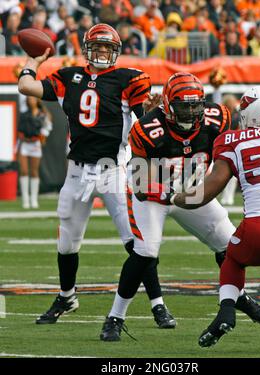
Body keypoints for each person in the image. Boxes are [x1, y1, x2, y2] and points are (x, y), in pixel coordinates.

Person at [18, 23, 175, 328]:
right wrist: (34, 62)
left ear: (115, 51)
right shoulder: (69, 76)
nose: (102, 52)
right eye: (98, 47)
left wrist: (154, 112)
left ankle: (158, 304)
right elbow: (26, 87)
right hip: (77, 173)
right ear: (88, 49)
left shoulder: (129, 79)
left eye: (107, 48)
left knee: (136, 244)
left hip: (114, 171)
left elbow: (145, 120)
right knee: (67, 244)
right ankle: (66, 296)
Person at [100, 72, 260, 342]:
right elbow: (139, 181)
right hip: (154, 197)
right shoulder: (147, 129)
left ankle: (238, 297)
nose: (191, 112)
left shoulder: (218, 118)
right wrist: (170, 195)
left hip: (192, 192)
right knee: (145, 252)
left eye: (196, 105)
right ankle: (115, 317)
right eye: (184, 106)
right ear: (168, 106)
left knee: (231, 246)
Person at [171, 85, 260, 347]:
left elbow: (207, 192)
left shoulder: (232, 140)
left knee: (232, 260)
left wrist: (175, 197)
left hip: (257, 229)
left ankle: (226, 312)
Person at [14, 64, 53, 209]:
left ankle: (34, 199)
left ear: (37, 100)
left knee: (34, 171)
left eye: (32, 98)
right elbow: (22, 91)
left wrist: (43, 137)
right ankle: (25, 199)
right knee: (24, 170)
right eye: (28, 99)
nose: (30, 100)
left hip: (35, 143)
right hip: (24, 142)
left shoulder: (43, 114)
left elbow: (48, 126)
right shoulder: (24, 111)